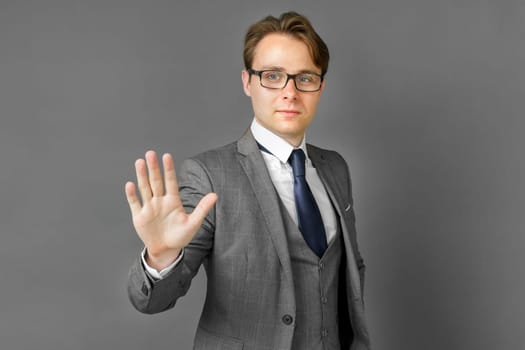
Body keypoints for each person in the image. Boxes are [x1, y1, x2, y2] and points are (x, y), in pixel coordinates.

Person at [125, 11, 370, 350]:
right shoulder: (209, 173)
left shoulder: (335, 168)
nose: (290, 92)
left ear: (320, 86)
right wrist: (161, 256)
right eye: (272, 76)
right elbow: (152, 300)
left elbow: (347, 274)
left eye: (305, 78)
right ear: (247, 82)